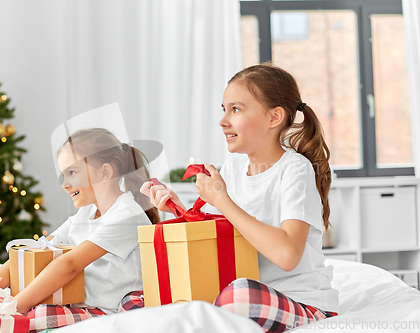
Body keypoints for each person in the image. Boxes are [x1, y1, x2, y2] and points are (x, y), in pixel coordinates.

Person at [138, 63, 339, 333]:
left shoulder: (294, 169)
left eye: (236, 109)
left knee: (238, 296)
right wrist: (177, 207)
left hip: (298, 299)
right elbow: (215, 235)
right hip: (237, 293)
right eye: (224, 109)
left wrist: (223, 201)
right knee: (138, 299)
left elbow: (288, 254)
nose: (223, 121)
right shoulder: (232, 167)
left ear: (274, 117)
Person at [0, 128, 160, 332]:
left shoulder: (126, 214)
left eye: (72, 173)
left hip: (109, 311)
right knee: (38, 307)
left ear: (105, 172)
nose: (65, 184)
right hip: (86, 306)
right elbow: (42, 247)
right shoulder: (86, 214)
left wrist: (15, 305)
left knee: (37, 314)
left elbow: (70, 264)